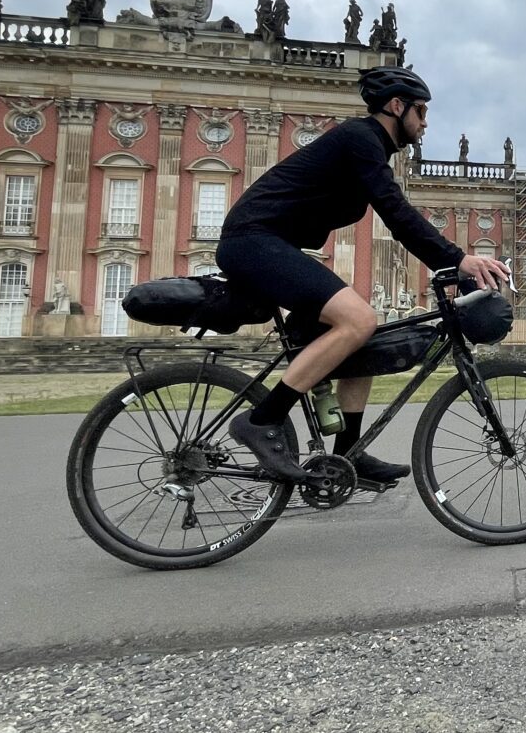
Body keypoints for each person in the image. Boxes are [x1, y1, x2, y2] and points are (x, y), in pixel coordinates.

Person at [215, 65, 510, 485]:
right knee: (359, 319)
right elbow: (397, 214)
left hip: (269, 244)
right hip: (252, 241)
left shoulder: (368, 148)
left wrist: (449, 263)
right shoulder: (360, 139)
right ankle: (262, 420)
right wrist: (459, 259)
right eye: (421, 112)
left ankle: (348, 452)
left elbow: (396, 217)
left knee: (362, 336)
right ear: (396, 106)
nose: (425, 123)